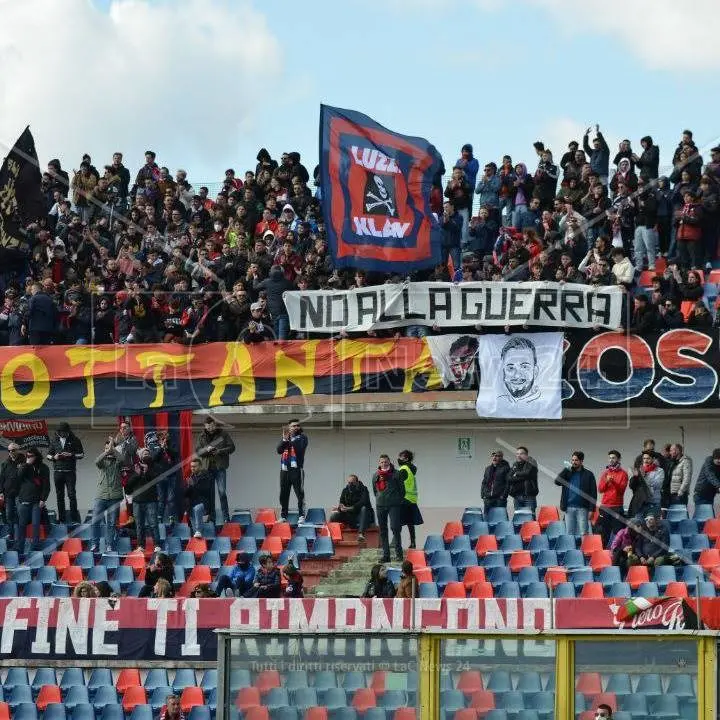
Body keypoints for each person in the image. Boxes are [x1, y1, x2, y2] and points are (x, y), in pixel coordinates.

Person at [195, 416, 236, 523]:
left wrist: (219, 451)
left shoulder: (223, 434)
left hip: (220, 468)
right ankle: (211, 518)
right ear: (205, 426)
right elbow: (198, 452)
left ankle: (226, 517)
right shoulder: (201, 436)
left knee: (222, 492)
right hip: (207, 469)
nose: (210, 428)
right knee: (209, 494)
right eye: (208, 426)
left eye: (212, 425)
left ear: (215, 424)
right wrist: (206, 449)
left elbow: (232, 447)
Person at [90, 436, 124, 553]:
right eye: (106, 449)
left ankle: (109, 545)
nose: (108, 450)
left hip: (114, 497)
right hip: (101, 496)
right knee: (95, 521)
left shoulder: (118, 462)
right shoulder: (102, 462)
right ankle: (95, 544)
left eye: (109, 448)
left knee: (111, 523)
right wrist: (106, 452)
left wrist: (112, 449)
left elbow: (122, 458)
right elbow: (96, 461)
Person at [47, 421, 84, 524]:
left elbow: (81, 454)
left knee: (71, 495)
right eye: (60, 432)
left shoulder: (75, 440)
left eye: (63, 432)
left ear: (67, 431)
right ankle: (62, 519)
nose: (61, 434)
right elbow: (48, 455)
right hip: (58, 472)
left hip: (70, 472)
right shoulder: (54, 440)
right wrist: (54, 457)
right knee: (60, 496)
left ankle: (74, 518)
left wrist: (70, 455)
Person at [124, 448, 161, 553]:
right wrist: (137, 474)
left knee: (153, 523)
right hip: (137, 502)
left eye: (148, 453)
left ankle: (157, 545)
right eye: (144, 453)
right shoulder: (134, 468)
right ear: (140, 456)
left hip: (151, 501)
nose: (147, 454)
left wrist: (147, 471)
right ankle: (141, 546)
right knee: (139, 525)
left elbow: (155, 481)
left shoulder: (154, 467)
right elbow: (127, 488)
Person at [15, 447, 50, 557]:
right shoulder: (24, 466)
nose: (28, 458)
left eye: (31, 456)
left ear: (36, 456)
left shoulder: (43, 468)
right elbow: (18, 478)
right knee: (21, 525)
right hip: (24, 500)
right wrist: (26, 464)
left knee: (36, 525)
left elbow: (46, 485)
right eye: (27, 456)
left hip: (36, 502)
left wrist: (43, 499)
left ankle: (35, 547)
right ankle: (19, 548)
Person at [554, 451, 597, 536]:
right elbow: (557, 482)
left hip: (583, 508)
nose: (574, 462)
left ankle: (584, 549)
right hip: (569, 507)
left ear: (581, 461)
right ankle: (571, 549)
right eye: (572, 460)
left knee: (583, 532)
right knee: (569, 533)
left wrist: (592, 509)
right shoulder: (567, 472)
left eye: (576, 460)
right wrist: (566, 469)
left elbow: (593, 493)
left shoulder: (588, 474)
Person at [372, 454, 405, 563]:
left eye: (386, 461)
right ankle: (386, 556)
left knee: (395, 528)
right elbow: (375, 491)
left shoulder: (396, 473)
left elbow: (402, 490)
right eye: (382, 462)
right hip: (380, 505)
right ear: (379, 463)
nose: (384, 464)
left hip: (394, 505)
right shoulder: (376, 475)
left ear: (389, 462)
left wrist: (397, 500)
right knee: (383, 530)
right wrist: (379, 498)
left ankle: (399, 554)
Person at [277, 419, 308, 522]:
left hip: (296, 469)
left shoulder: (302, 438)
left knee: (299, 493)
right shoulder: (286, 439)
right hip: (285, 470)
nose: (296, 427)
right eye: (293, 426)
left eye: (297, 426)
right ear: (289, 428)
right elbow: (279, 450)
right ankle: (284, 516)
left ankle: (301, 515)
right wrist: (284, 440)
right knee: (283, 494)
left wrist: (288, 441)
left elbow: (299, 448)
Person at [329, 474, 374, 543]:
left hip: (362, 516)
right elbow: (341, 502)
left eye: (352, 483)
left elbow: (363, 502)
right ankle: (332, 537)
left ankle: (361, 534)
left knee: (364, 508)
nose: (350, 484)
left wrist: (350, 508)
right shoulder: (345, 490)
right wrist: (340, 508)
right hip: (350, 516)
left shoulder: (364, 489)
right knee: (334, 515)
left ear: (357, 482)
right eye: (349, 483)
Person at [596, 450, 628, 548]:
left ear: (618, 459)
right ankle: (603, 554)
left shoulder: (623, 473)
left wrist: (613, 481)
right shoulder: (605, 473)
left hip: (617, 507)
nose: (611, 460)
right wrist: (607, 481)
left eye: (613, 458)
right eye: (610, 458)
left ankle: (617, 554)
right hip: (605, 507)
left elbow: (621, 490)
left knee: (618, 533)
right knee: (604, 532)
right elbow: (600, 489)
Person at [498, 337, 541, 405]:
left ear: (535, 372)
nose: (517, 375)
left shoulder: (544, 403)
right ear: (503, 372)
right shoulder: (498, 403)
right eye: (511, 368)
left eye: (524, 367)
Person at [397, 450, 423, 550]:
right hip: (412, 499)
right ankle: (413, 542)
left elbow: (398, 484)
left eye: (401, 456)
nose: (399, 458)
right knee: (410, 523)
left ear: (406, 458)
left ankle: (395, 542)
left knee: (397, 521)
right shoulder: (412, 469)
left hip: (404, 498)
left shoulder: (403, 469)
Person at [0, 443, 24, 544]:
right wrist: (1, 492)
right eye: (9, 450)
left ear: (18, 450)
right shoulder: (5, 464)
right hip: (8, 493)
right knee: (9, 514)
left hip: (20, 493)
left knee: (20, 513)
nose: (11, 452)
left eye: (13, 450)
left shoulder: (23, 462)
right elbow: (1, 479)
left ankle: (20, 535)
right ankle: (11, 534)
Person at [184, 457, 213, 538]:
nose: (192, 468)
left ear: (200, 466)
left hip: (203, 504)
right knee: (196, 534)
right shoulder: (191, 478)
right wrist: (188, 486)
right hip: (192, 505)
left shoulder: (206, 476)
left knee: (197, 508)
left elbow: (205, 490)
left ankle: (198, 531)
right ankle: (200, 544)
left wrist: (193, 485)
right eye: (191, 466)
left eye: (194, 466)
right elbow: (186, 494)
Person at [508, 446, 539, 516]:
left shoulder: (532, 462)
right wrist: (523, 477)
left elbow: (527, 473)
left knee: (530, 519)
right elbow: (509, 478)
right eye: (517, 454)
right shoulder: (515, 464)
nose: (519, 455)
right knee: (519, 519)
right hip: (517, 497)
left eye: (521, 453)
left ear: (526, 455)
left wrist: (516, 473)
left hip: (529, 496)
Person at [634, 450, 664, 517]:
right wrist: (635, 478)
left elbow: (658, 484)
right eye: (644, 458)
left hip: (653, 503)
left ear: (653, 459)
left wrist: (644, 477)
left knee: (652, 525)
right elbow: (634, 486)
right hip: (640, 503)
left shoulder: (659, 471)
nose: (645, 460)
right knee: (638, 524)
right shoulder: (639, 470)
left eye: (648, 458)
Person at [481, 449, 510, 515]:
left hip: (499, 499)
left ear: (501, 457)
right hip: (488, 498)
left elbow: (508, 484)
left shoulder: (506, 468)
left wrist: (503, 496)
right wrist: (483, 495)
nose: (494, 458)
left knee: (500, 517)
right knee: (487, 518)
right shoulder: (488, 469)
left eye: (497, 456)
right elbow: (484, 482)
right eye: (493, 456)